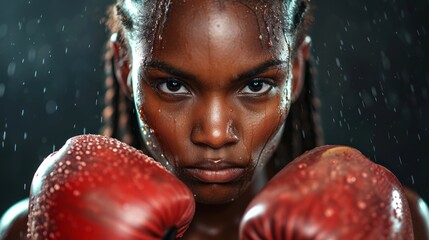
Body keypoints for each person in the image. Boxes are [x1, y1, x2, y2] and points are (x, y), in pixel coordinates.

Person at [1, 0, 428, 239]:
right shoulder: (29, 231)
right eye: (173, 86)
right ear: (124, 67)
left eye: (256, 86)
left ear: (295, 73)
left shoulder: (402, 222)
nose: (214, 133)